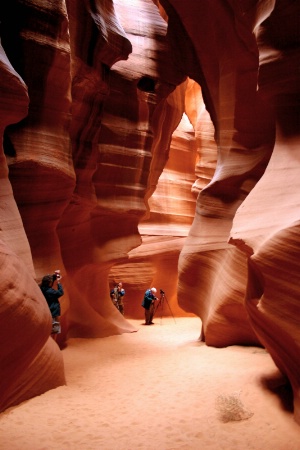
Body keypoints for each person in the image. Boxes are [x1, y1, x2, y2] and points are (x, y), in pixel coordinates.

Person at [40, 270, 64, 335]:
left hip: (49, 311)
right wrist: (58, 282)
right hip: (53, 312)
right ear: (49, 283)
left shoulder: (42, 288)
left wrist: (55, 276)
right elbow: (61, 292)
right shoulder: (49, 291)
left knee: (53, 329)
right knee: (55, 330)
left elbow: (49, 282)